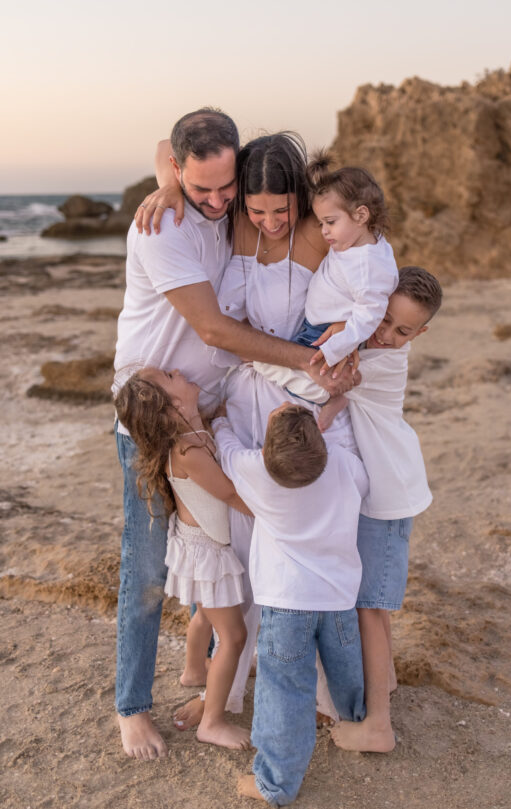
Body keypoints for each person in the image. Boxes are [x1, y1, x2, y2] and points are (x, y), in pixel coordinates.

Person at [114, 111, 352, 760]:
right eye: (202, 190)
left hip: (212, 413)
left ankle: (217, 679)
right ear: (183, 176)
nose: (218, 203)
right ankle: (131, 706)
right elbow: (216, 330)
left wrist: (171, 171)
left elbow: (167, 141)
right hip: (155, 416)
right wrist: (304, 359)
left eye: (227, 189)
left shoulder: (231, 208)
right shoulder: (164, 224)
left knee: (225, 549)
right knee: (146, 565)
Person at [256, 265, 443, 751]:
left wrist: (252, 359)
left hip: (388, 496)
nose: (385, 335)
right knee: (370, 601)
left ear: (419, 334)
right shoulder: (366, 349)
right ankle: (389, 680)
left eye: (402, 331)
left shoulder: (377, 361)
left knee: (370, 610)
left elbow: (312, 383)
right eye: (382, 320)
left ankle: (378, 724)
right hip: (380, 489)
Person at [212, 403, 369, 805]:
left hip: (286, 603)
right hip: (338, 599)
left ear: (268, 451)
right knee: (347, 670)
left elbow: (226, 446)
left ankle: (275, 785)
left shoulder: (258, 471)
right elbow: (360, 481)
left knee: (284, 691)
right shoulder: (345, 465)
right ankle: (358, 723)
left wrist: (220, 418)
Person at [114, 366, 252, 750]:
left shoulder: (191, 432)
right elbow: (227, 493)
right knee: (235, 636)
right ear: (173, 405)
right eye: (171, 375)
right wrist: (274, 515)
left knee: (206, 614)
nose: (180, 370)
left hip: (196, 544)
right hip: (208, 551)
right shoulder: (188, 451)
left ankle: (194, 669)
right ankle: (213, 722)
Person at [253, 151, 398, 431]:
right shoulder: (359, 243)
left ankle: (328, 397)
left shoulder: (367, 264)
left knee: (273, 367)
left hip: (323, 336)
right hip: (318, 327)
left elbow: (370, 312)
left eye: (330, 222)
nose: (324, 232)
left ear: (361, 215)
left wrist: (334, 350)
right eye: (321, 224)